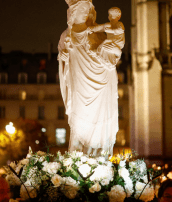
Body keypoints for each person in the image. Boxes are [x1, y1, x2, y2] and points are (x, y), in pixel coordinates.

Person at [59, 0, 123, 156]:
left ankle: (100, 158)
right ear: (73, 13)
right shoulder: (66, 35)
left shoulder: (99, 32)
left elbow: (114, 55)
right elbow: (63, 62)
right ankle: (76, 158)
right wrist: (63, 58)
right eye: (82, 11)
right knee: (79, 120)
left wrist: (116, 50)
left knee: (102, 122)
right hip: (80, 84)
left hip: (103, 82)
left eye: (87, 11)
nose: (86, 14)